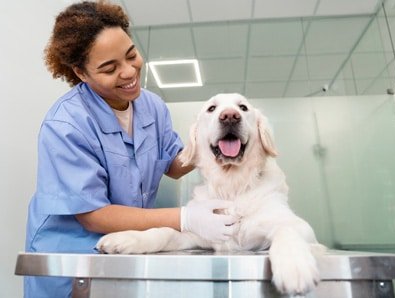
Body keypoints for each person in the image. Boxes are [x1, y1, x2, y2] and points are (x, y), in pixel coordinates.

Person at [24, 1, 238, 297]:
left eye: (131, 55)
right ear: (81, 73)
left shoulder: (152, 106)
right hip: (71, 258)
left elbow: (175, 166)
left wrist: (215, 139)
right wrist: (185, 218)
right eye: (110, 68)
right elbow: (93, 215)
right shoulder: (66, 124)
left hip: (125, 250)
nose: (128, 72)